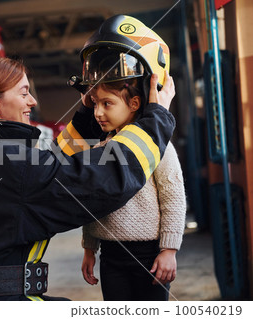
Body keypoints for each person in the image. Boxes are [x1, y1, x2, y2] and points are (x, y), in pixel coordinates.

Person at [0, 51, 175, 300]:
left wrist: (88, 116)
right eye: (24, 92)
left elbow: (52, 167)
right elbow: (101, 181)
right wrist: (156, 119)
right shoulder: (7, 161)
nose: (33, 101)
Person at [75, 15, 186, 301]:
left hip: (150, 255)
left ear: (135, 103)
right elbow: (95, 199)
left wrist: (169, 250)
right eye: (96, 103)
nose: (98, 113)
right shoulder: (101, 145)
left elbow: (173, 197)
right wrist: (90, 247)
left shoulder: (157, 146)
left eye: (107, 104)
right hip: (111, 255)